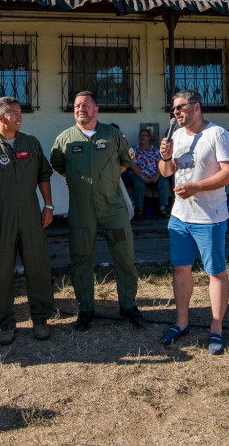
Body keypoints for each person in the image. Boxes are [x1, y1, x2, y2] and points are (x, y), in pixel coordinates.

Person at [0, 97, 55, 344]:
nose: (19, 117)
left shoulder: (31, 142)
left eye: (20, 113)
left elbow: (43, 175)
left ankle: (40, 319)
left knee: (37, 267)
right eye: (14, 113)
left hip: (30, 215)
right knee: (1, 272)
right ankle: (5, 323)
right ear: (0, 117)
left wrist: (48, 205)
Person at [50, 91, 142, 332]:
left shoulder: (112, 135)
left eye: (86, 105)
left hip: (113, 208)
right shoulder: (64, 139)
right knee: (80, 260)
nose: (81, 109)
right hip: (81, 211)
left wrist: (106, 181)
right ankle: (86, 309)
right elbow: (59, 167)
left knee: (124, 256)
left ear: (96, 109)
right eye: (77, 105)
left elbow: (126, 160)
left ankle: (128, 306)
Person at [157, 89, 229, 355]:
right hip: (180, 217)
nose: (176, 113)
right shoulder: (176, 135)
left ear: (197, 107)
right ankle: (182, 323)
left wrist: (197, 187)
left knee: (215, 272)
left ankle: (216, 327)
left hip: (209, 217)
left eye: (180, 107)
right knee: (181, 270)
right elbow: (167, 172)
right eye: (174, 110)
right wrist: (166, 157)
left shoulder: (218, 134)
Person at [128, 128, 171, 219]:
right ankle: (139, 209)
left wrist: (156, 176)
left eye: (145, 135)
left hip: (154, 174)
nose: (142, 137)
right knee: (139, 185)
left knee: (164, 182)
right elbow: (132, 165)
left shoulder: (156, 150)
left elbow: (161, 163)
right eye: (141, 135)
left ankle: (163, 208)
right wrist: (143, 177)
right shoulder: (132, 150)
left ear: (149, 137)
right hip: (139, 174)